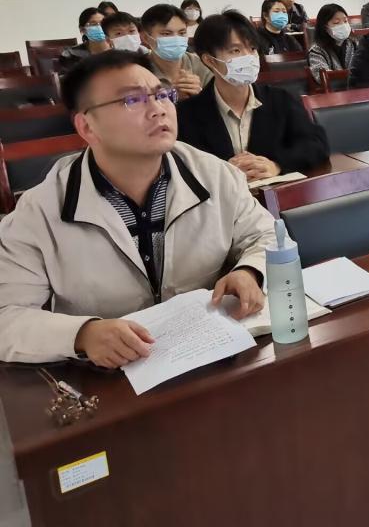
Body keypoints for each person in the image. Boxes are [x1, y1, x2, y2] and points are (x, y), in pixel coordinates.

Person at [0, 50, 275, 365]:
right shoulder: (40, 211)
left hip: (210, 355)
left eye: (163, 95)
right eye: (132, 100)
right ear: (87, 127)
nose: (158, 109)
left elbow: (267, 236)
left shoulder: (216, 176)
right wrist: (82, 334)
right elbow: (6, 316)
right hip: (108, 376)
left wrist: (250, 271)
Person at [177, 12, 328, 182]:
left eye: (252, 49)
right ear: (209, 60)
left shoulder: (280, 99)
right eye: (235, 50)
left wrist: (276, 165)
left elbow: (316, 144)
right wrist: (223, 171)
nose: (248, 57)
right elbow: (181, 167)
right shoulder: (186, 114)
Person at [139, 3, 213, 99]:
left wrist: (200, 97)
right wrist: (173, 97)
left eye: (182, 33)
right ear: (146, 38)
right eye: (166, 34)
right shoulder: (138, 70)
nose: (176, 39)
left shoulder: (201, 65)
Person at [307, 3, 358, 79]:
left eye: (345, 21)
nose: (343, 25)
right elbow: (322, 77)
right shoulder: (316, 51)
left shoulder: (354, 44)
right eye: (336, 22)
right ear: (325, 27)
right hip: (335, 86)